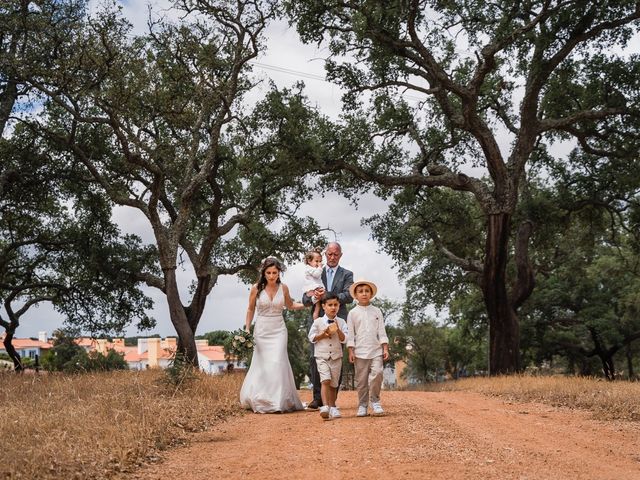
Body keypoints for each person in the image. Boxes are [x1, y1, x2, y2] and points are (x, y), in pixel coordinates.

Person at [240, 257, 306, 413]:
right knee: (263, 365)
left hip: (279, 329)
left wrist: (307, 303)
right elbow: (250, 309)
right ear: (263, 273)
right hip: (262, 329)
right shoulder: (256, 288)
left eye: (274, 273)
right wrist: (247, 329)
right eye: (268, 272)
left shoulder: (284, 288)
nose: (271, 276)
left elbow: (290, 305)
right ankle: (262, 398)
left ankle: (278, 401)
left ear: (279, 273)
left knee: (277, 362)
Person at [302, 242, 353, 410]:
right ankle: (317, 398)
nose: (332, 257)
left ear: (340, 255)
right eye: (329, 254)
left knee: (336, 357)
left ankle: (332, 399)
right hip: (317, 320)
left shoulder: (347, 274)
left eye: (335, 254)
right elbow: (304, 299)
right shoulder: (315, 271)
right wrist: (314, 298)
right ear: (325, 254)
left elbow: (349, 295)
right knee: (315, 357)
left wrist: (329, 297)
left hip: (339, 319)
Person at [346, 279, 389, 417]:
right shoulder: (352, 313)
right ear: (356, 295)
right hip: (359, 351)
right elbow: (350, 334)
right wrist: (351, 350)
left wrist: (385, 348)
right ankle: (362, 405)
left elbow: (382, 331)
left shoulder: (377, 311)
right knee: (361, 380)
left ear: (371, 294)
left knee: (377, 373)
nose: (364, 294)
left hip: (376, 350)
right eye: (361, 291)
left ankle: (375, 401)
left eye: (366, 291)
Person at [307, 293, 348, 420]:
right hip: (321, 356)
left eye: (335, 305)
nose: (333, 307)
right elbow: (311, 337)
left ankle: (333, 406)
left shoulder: (341, 321)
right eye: (330, 305)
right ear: (324, 306)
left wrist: (338, 329)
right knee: (325, 380)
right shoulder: (318, 322)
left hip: (336, 357)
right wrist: (322, 334)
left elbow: (345, 339)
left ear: (339, 306)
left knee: (334, 384)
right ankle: (325, 407)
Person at [301, 248, 325, 320]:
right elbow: (316, 274)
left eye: (320, 261)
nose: (319, 263)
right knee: (317, 307)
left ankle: (316, 319)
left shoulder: (314, 268)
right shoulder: (309, 268)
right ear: (309, 261)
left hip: (316, 288)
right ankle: (315, 320)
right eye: (316, 261)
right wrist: (320, 267)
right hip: (312, 289)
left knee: (317, 307)